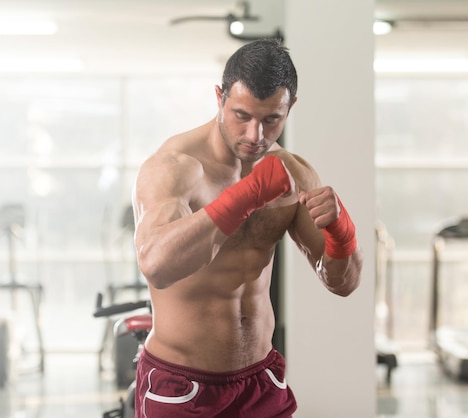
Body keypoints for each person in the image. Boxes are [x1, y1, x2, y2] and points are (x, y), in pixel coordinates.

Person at [131, 38, 363, 418]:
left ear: (290, 108)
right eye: (242, 115)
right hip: (183, 386)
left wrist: (342, 233)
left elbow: (343, 283)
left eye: (271, 119)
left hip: (260, 381)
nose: (256, 135)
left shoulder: (295, 173)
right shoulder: (175, 167)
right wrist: (245, 196)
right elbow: (157, 265)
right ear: (220, 97)